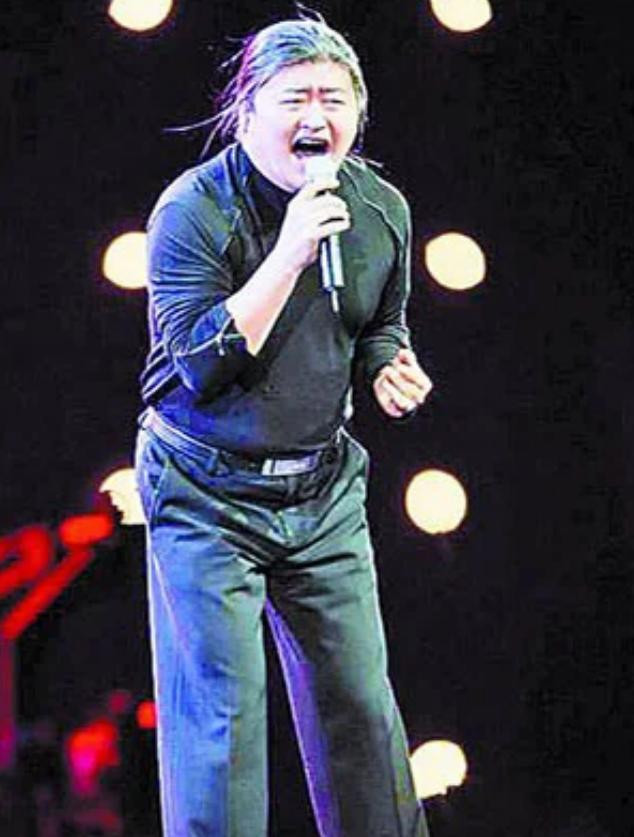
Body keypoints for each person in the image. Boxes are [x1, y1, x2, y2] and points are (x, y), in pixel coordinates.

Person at [135, 14, 433, 837]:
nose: (315, 116)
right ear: (247, 110)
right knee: (223, 728)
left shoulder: (377, 208)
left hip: (321, 489)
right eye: (294, 98)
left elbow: (379, 320)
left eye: (334, 99)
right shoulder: (193, 210)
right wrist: (290, 251)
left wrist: (388, 363)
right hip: (204, 490)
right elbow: (201, 364)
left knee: (363, 710)